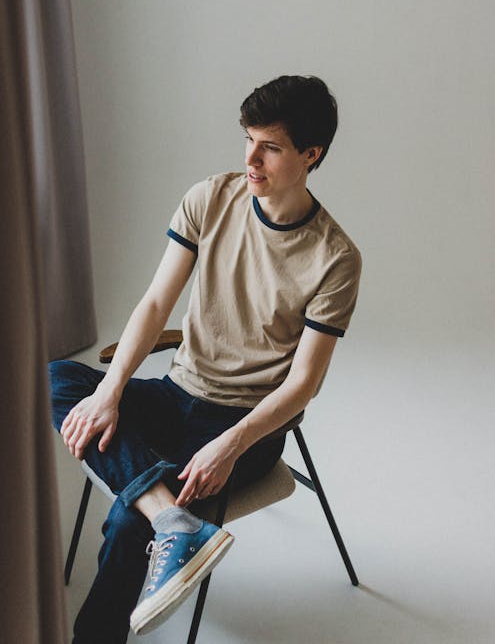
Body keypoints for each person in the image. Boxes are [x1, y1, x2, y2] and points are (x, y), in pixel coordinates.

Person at [50, 74, 362, 643]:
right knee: (54, 379)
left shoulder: (335, 258)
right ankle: (173, 517)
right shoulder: (210, 198)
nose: (251, 158)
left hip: (245, 427)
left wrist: (231, 444)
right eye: (247, 139)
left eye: (270, 146)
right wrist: (110, 389)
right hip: (177, 392)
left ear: (310, 154)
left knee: (125, 518)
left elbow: (302, 385)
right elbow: (154, 303)